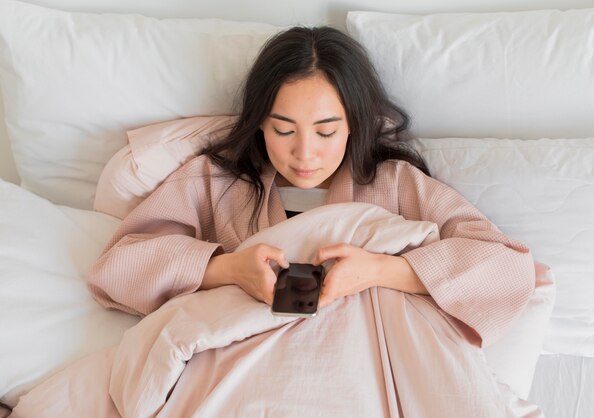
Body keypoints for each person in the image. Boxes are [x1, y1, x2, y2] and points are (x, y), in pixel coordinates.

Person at [87, 26, 539, 416]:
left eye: (326, 132)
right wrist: (226, 269)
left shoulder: (396, 184)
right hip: (246, 383)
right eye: (284, 130)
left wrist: (382, 270)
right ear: (260, 123)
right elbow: (120, 266)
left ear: (354, 125)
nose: (305, 154)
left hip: (362, 380)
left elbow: (505, 267)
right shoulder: (214, 181)